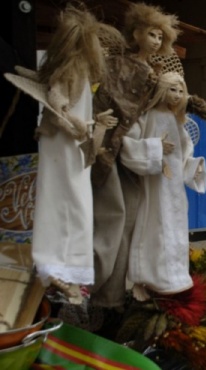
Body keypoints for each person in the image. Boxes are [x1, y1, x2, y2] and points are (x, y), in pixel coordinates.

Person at [90, 2, 180, 308]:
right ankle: (99, 294)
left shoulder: (152, 72)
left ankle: (112, 296)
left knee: (127, 227)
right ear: (136, 32)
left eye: (160, 37)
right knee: (111, 224)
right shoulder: (120, 65)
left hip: (129, 155)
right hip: (110, 150)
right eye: (151, 34)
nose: (155, 41)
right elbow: (116, 106)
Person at [31, 5, 118, 303]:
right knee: (61, 202)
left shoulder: (81, 68)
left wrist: (89, 126)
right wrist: (76, 123)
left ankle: (68, 271)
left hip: (73, 146)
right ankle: (53, 266)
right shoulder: (71, 67)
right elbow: (57, 103)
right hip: (61, 144)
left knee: (77, 206)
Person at [120, 71, 206, 298]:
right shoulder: (145, 116)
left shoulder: (178, 121)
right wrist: (155, 147)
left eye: (181, 90)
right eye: (172, 89)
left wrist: (193, 166)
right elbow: (127, 145)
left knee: (175, 228)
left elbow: (184, 152)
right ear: (161, 90)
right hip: (154, 185)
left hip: (174, 189)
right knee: (154, 228)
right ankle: (147, 277)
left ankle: (175, 277)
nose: (177, 95)